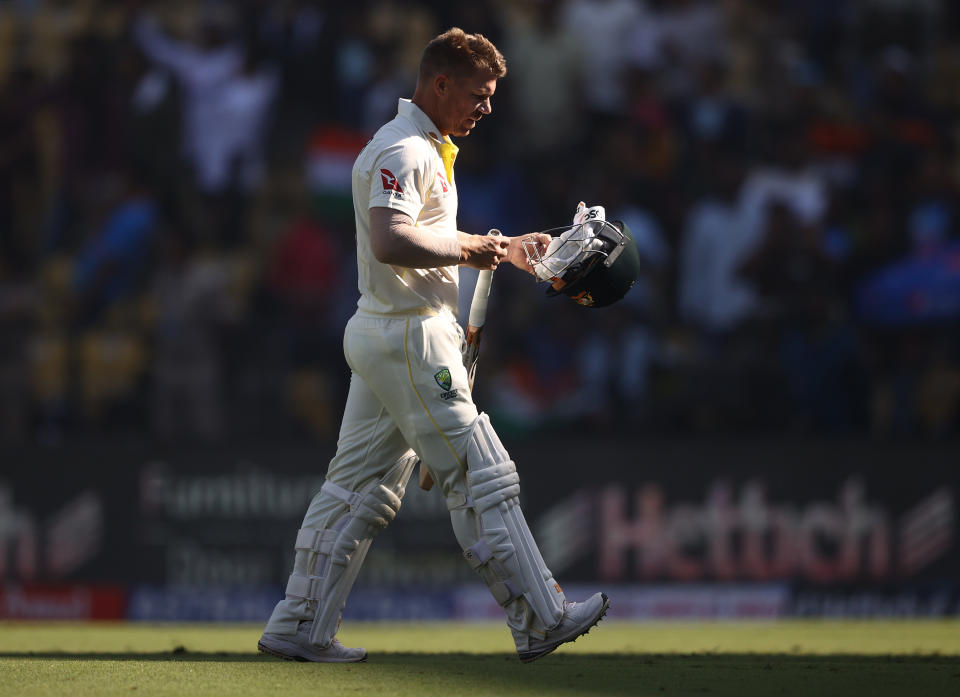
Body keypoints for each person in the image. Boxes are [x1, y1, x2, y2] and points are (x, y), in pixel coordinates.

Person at [258, 27, 609, 664]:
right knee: (482, 473)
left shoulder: (424, 147)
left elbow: (427, 247)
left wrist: (503, 248)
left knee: (357, 492)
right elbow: (392, 242)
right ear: (440, 83)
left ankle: (298, 625)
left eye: (493, 95)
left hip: (393, 332)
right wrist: (483, 248)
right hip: (409, 337)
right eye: (479, 93)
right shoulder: (403, 149)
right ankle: (541, 617)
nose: (488, 107)